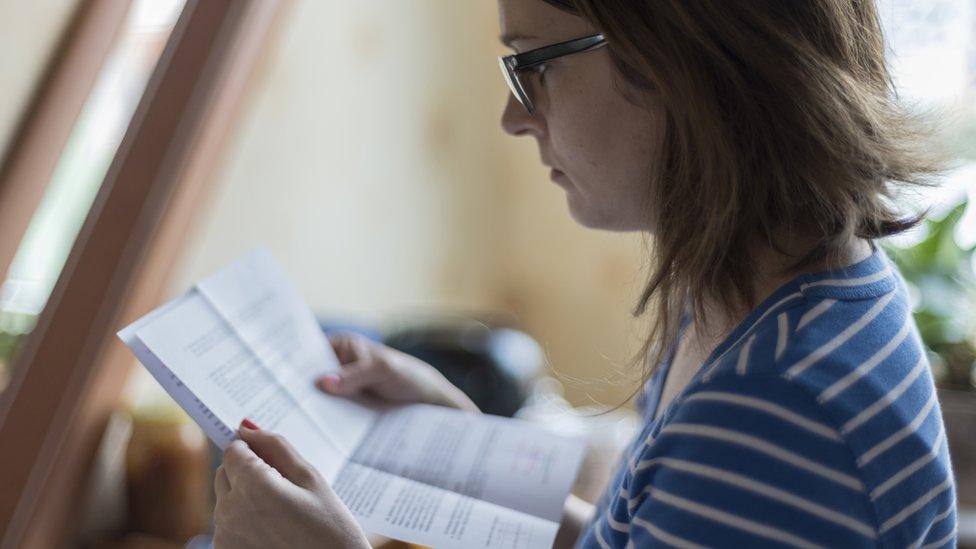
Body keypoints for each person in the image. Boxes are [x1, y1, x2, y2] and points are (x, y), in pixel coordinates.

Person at [212, 0, 959, 547]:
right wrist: (450, 447)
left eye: (533, 65)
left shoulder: (778, 407)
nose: (515, 117)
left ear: (680, 56)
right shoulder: (756, 297)